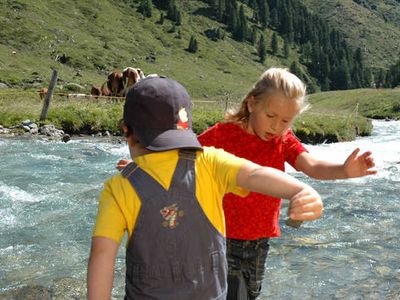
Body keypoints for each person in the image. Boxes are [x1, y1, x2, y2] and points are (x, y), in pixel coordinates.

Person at [87, 76, 324, 300]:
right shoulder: (210, 161)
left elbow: (102, 254)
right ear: (186, 127)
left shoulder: (118, 187)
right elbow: (255, 174)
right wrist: (300, 190)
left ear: (127, 131)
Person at [196, 67, 377, 299]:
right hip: (219, 236)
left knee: (250, 293)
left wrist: (343, 170)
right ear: (252, 104)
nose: (276, 127)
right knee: (226, 292)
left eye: (286, 121)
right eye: (270, 116)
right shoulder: (221, 135)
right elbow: (182, 158)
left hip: (260, 240)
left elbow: (311, 166)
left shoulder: (283, 140)